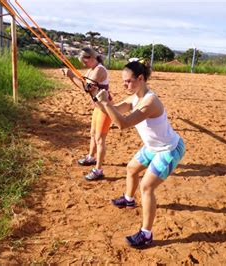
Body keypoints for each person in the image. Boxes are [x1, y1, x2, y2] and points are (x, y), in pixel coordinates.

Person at [94, 59, 186, 248]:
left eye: (128, 81)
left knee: (147, 187)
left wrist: (106, 103)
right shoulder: (134, 97)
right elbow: (113, 112)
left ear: (141, 78)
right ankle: (128, 200)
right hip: (153, 146)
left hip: (169, 149)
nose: (124, 85)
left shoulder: (150, 101)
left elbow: (123, 124)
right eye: (123, 81)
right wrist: (96, 97)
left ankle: (146, 234)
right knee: (131, 169)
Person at [62, 47, 113, 180]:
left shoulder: (100, 70)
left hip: (105, 109)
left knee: (100, 139)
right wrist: (72, 75)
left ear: (91, 58)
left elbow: (87, 88)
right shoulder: (91, 70)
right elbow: (85, 84)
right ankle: (91, 157)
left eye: (85, 61)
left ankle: (98, 170)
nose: (84, 64)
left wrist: (70, 75)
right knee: (92, 134)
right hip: (98, 107)